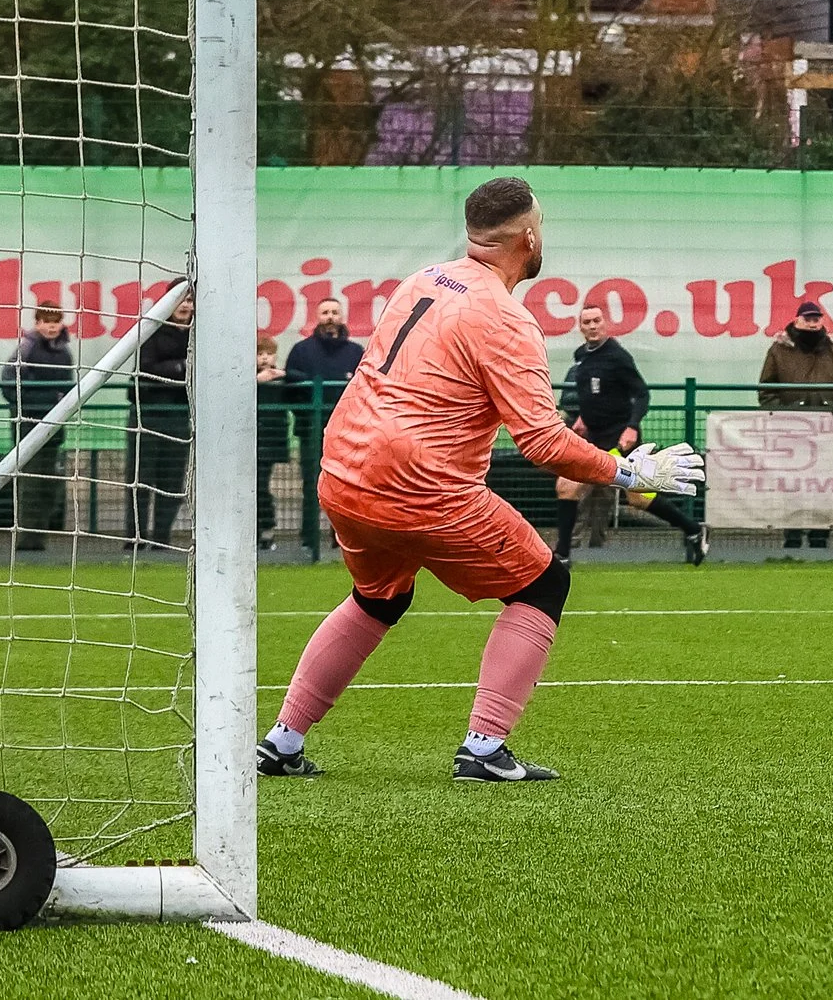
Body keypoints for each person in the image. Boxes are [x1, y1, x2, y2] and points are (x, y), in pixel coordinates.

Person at [257, 176, 703, 782]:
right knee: (544, 585)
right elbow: (542, 441)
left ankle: (283, 741)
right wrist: (631, 471)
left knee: (377, 598)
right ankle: (485, 748)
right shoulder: (506, 319)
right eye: (541, 228)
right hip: (419, 482)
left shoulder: (420, 279)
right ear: (527, 236)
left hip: (343, 467)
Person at [558, 304, 705, 565]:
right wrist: (582, 417)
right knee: (566, 486)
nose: (592, 326)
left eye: (596, 321)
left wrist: (632, 426)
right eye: (587, 322)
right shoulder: (582, 356)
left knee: (638, 498)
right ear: (580, 327)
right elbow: (592, 393)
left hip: (618, 440)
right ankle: (563, 555)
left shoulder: (617, 356)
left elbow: (642, 394)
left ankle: (693, 529)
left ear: (606, 324)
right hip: (593, 438)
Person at [758, 298, 833, 548]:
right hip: (790, 431)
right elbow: (766, 390)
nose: (813, 324)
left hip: (827, 430)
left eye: (816, 319)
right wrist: (784, 415)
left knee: (824, 483)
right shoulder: (778, 350)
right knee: (791, 483)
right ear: (797, 320)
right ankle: (792, 533)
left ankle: (820, 533)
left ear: (822, 321)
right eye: (808, 319)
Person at [284, 298, 365, 556]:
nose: (330, 316)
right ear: (317, 317)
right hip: (311, 432)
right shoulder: (300, 351)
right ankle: (309, 539)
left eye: (334, 312)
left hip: (349, 434)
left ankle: (343, 541)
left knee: (348, 490)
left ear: (342, 316)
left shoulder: (356, 352)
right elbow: (291, 390)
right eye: (325, 312)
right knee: (312, 486)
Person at [2, 303, 76, 551]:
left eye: (56, 320)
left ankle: (39, 537)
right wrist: (42, 401)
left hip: (54, 426)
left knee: (49, 483)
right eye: (46, 321)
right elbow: (9, 384)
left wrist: (58, 405)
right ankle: (26, 540)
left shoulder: (65, 354)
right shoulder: (26, 348)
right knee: (30, 483)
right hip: (29, 424)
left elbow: (67, 389)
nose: (52, 325)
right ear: (37, 323)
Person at [128, 293, 193, 551]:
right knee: (140, 479)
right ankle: (135, 538)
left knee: (172, 482)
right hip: (147, 414)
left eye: (190, 300)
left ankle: (161, 539)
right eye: (181, 299)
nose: (186, 305)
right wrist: (180, 367)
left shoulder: (199, 336)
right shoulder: (151, 332)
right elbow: (146, 369)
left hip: (179, 416)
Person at [255, 335, 295, 548]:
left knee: (260, 485)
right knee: (251, 487)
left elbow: (300, 379)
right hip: (250, 440)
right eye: (260, 354)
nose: (264, 359)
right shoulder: (248, 379)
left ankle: (266, 529)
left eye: (268, 354)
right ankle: (256, 530)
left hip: (269, 442)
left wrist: (283, 374)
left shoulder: (281, 379)